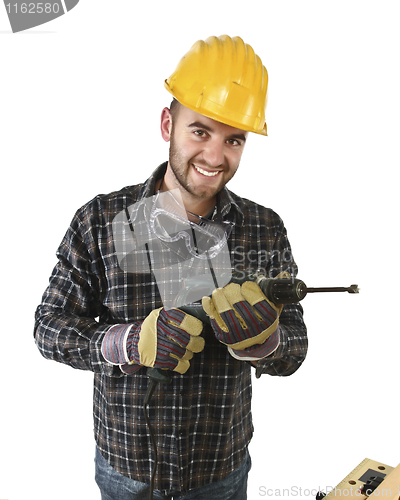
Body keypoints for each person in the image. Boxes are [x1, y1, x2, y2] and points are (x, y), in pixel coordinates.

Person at [34, 35, 308, 500]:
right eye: (200, 131)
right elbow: (48, 328)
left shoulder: (263, 229)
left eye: (234, 140)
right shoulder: (101, 221)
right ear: (168, 123)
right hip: (127, 472)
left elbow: (296, 347)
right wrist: (125, 342)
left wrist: (266, 342)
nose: (215, 157)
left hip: (220, 472)